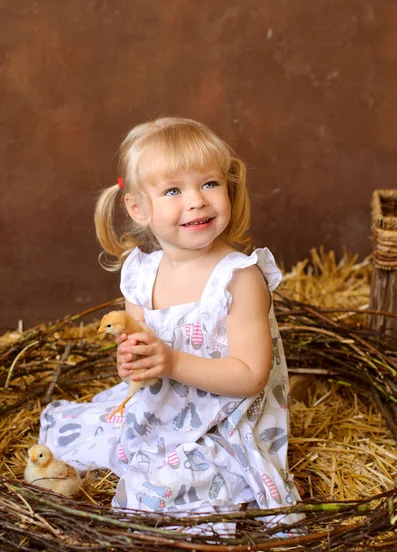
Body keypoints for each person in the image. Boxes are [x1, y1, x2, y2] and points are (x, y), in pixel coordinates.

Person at [39, 117, 300, 529]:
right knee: (100, 436)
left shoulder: (238, 278)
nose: (196, 200)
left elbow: (251, 377)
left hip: (223, 416)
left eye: (210, 184)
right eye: (174, 190)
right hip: (164, 402)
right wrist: (132, 364)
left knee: (175, 485)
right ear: (139, 209)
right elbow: (139, 356)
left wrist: (173, 363)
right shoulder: (142, 274)